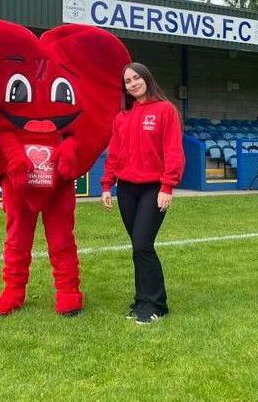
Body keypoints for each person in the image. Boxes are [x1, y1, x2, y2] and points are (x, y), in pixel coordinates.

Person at [100, 62, 185, 324]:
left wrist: (167, 186)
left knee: (142, 244)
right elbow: (114, 152)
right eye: (127, 81)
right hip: (127, 189)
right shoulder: (121, 117)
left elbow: (173, 150)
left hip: (153, 188)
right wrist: (106, 184)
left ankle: (157, 305)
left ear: (147, 79)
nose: (133, 83)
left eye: (137, 78)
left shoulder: (165, 110)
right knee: (138, 248)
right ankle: (142, 300)